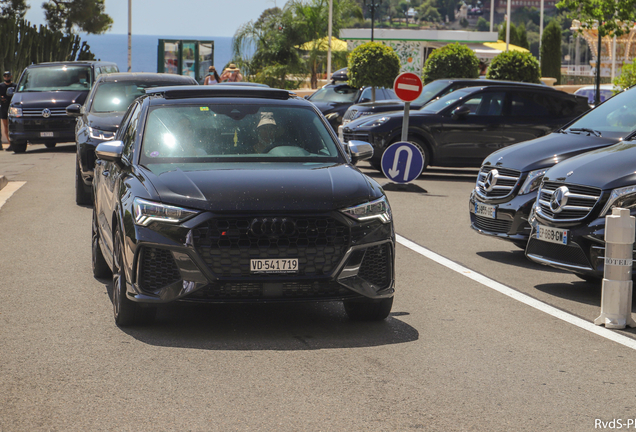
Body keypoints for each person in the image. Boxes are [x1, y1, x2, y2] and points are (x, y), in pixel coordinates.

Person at [0, 71, 17, 151]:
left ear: (11, 76)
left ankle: (15, 143)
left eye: (8, 76)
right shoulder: (1, 86)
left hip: (13, 108)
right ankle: (10, 144)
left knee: (13, 126)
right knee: (6, 127)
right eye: (5, 76)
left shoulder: (15, 86)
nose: (6, 77)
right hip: (4, 108)